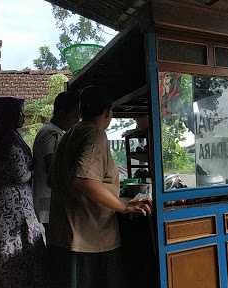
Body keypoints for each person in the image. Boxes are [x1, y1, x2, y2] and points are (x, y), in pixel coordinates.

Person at [49, 86, 151, 288]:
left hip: (65, 235)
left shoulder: (69, 134)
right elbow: (84, 180)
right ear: (107, 112)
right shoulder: (95, 135)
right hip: (88, 239)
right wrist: (123, 206)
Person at [0, 97, 45, 288]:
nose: (23, 116)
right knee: (18, 256)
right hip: (13, 206)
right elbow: (19, 173)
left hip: (17, 203)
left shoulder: (9, 135)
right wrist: (35, 168)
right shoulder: (6, 139)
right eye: (19, 113)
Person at [33, 91, 80, 235]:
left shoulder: (52, 131)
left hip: (49, 202)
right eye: (75, 115)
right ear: (61, 112)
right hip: (49, 203)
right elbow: (53, 169)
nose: (77, 119)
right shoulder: (51, 134)